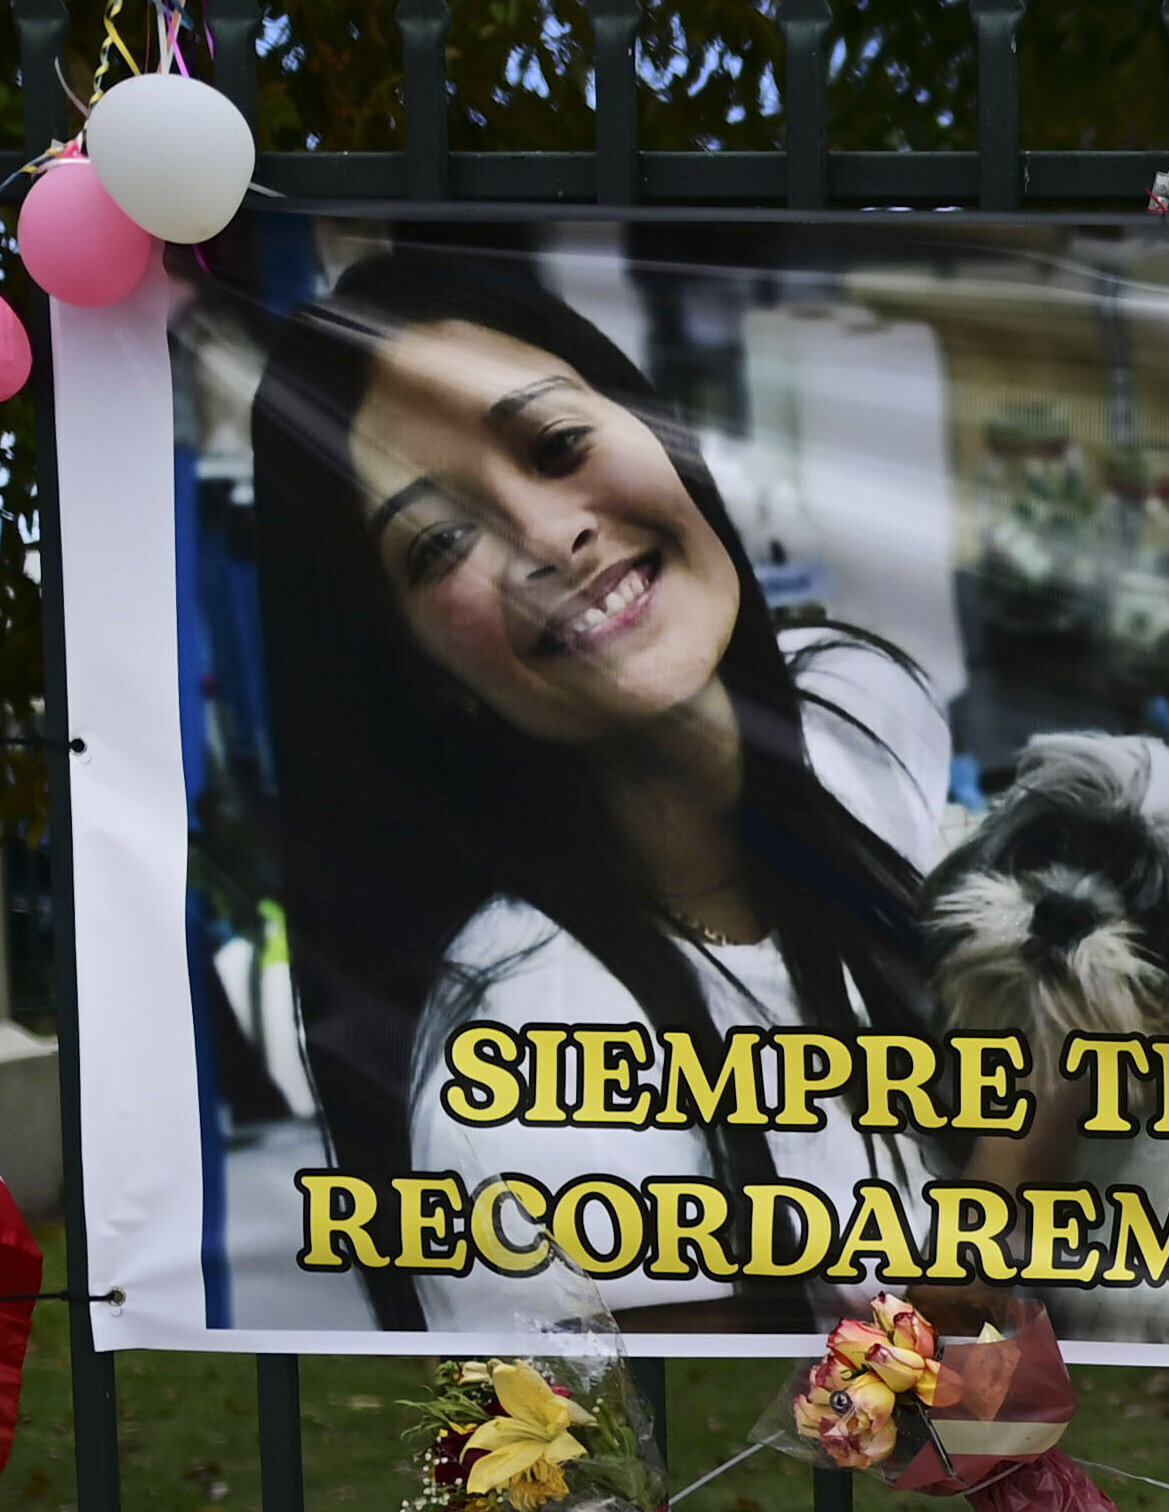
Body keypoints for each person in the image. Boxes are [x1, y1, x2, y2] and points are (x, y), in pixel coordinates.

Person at [254, 250, 954, 1327]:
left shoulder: (868, 709)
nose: (547, 537)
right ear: (419, 672)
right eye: (441, 542)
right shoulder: (532, 1053)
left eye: (557, 444)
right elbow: (719, 1481)